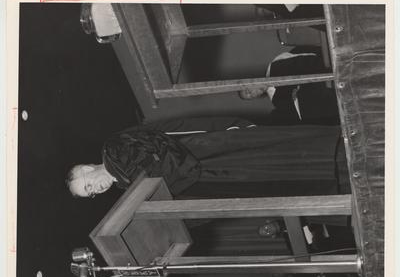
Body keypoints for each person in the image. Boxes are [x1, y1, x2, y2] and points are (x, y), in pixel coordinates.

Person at [66, 117, 345, 200]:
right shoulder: (125, 189)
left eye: (88, 185)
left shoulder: (114, 149)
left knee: (273, 155)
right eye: (89, 194)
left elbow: (164, 149)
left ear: (87, 168)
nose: (95, 190)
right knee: (278, 179)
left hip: (207, 153)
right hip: (209, 178)